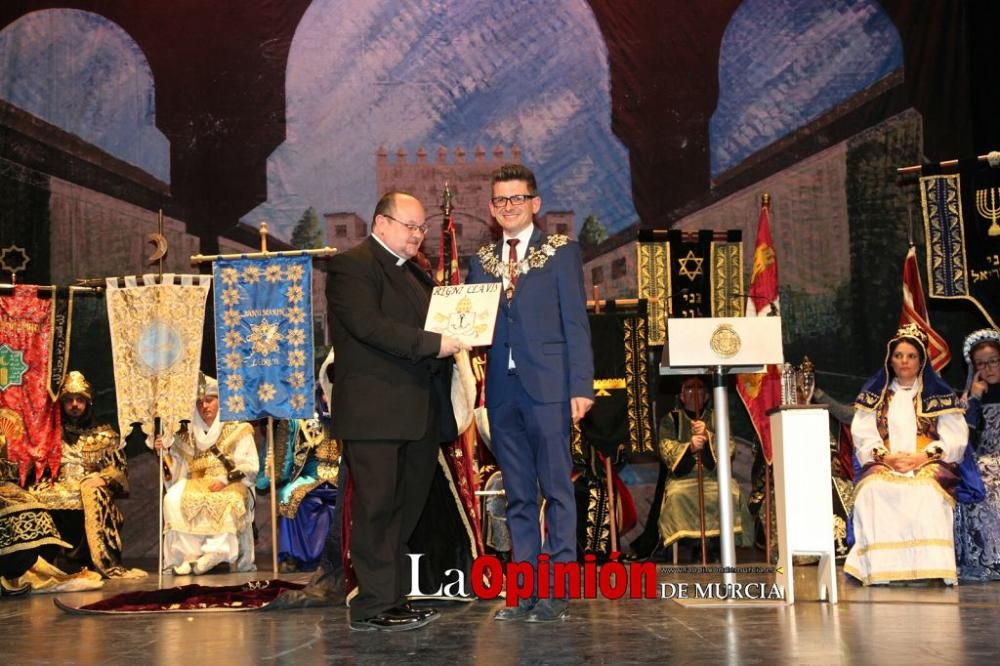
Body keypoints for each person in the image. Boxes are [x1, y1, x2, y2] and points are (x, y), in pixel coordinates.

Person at [325, 191, 467, 632]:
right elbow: (370, 327)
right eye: (411, 227)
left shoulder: (415, 274)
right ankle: (371, 605)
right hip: (375, 413)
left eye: (423, 228)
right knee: (376, 508)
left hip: (417, 412)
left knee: (404, 507)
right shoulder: (353, 266)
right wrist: (435, 343)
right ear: (382, 223)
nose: (419, 235)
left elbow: (439, 322)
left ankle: (392, 596)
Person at [466, 163, 594, 622]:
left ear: (534, 204)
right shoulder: (479, 261)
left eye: (517, 199)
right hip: (502, 390)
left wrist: (581, 387)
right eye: (500, 200)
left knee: (558, 490)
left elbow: (576, 323)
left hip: (551, 388)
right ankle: (523, 591)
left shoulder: (561, 252)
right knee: (517, 494)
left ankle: (557, 590)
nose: (509, 207)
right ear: (491, 207)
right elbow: (467, 318)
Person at [844, 323, 968, 585]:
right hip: (886, 461)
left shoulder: (940, 395)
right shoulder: (875, 396)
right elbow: (863, 434)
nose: (904, 361)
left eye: (911, 356)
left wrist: (924, 457)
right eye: (899, 355)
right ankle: (881, 570)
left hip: (928, 460)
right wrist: (885, 457)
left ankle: (929, 567)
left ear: (921, 360)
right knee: (873, 489)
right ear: (890, 359)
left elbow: (955, 438)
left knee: (926, 490)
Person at [27, 371, 145, 578]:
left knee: (91, 496)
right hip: (55, 485)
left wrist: (104, 478)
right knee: (32, 499)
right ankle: (43, 562)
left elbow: (120, 470)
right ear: (62, 404)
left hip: (88, 486)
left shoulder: (105, 434)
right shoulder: (48, 434)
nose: (74, 405)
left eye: (79, 400)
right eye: (69, 400)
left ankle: (86, 560)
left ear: (88, 403)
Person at [153, 374, 259, 575]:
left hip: (229, 482)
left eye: (209, 400)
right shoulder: (187, 436)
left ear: (220, 401)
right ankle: (186, 556)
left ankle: (216, 553)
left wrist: (225, 479)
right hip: (196, 481)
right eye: (200, 402)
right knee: (173, 499)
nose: (205, 406)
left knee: (229, 499)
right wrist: (164, 452)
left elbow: (251, 466)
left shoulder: (238, 428)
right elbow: (175, 471)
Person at [656, 376, 750, 561]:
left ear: (706, 395)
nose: (694, 392)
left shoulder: (718, 417)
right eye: (689, 388)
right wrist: (689, 447)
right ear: (682, 396)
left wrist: (708, 438)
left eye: (699, 388)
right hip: (684, 478)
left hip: (715, 476)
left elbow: (728, 446)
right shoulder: (671, 420)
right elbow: (666, 448)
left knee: (730, 493)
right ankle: (696, 544)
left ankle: (717, 544)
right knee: (677, 496)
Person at [954, 328, 1000, 580]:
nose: (988, 368)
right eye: (981, 364)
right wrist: (974, 400)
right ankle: (987, 558)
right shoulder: (971, 398)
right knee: (979, 482)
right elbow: (966, 441)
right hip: (985, 459)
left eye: (993, 361)